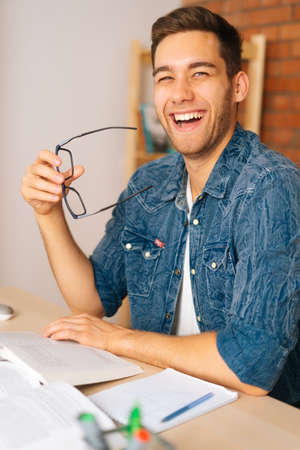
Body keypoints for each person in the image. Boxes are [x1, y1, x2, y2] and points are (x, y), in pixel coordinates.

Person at [21, 6, 300, 405]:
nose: (180, 92)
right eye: (165, 76)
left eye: (199, 73)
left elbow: (250, 366)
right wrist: (47, 213)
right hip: (161, 397)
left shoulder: (270, 186)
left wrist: (121, 339)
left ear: (237, 87)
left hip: (250, 420)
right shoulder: (149, 183)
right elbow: (92, 300)